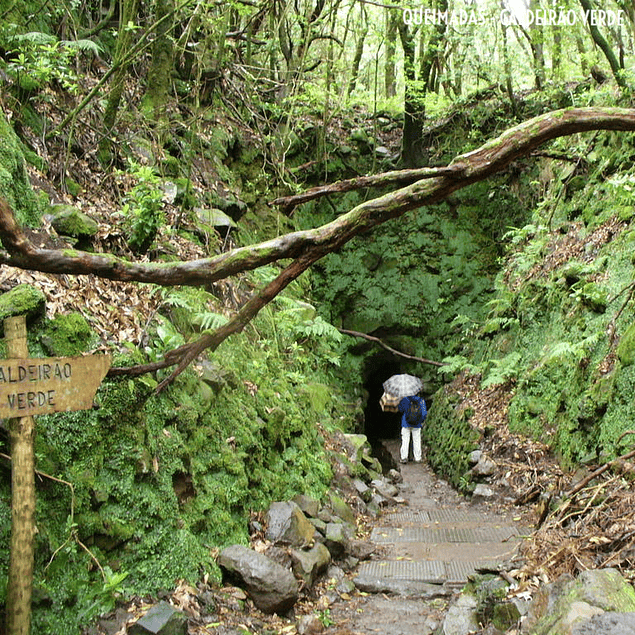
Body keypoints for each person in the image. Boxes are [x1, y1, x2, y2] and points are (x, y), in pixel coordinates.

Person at [398, 395, 427, 464]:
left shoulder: (405, 399)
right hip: (417, 424)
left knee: (405, 440)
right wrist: (420, 420)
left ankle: (404, 457)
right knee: (417, 440)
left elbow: (401, 409)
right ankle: (418, 458)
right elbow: (424, 414)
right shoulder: (421, 400)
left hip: (406, 423)